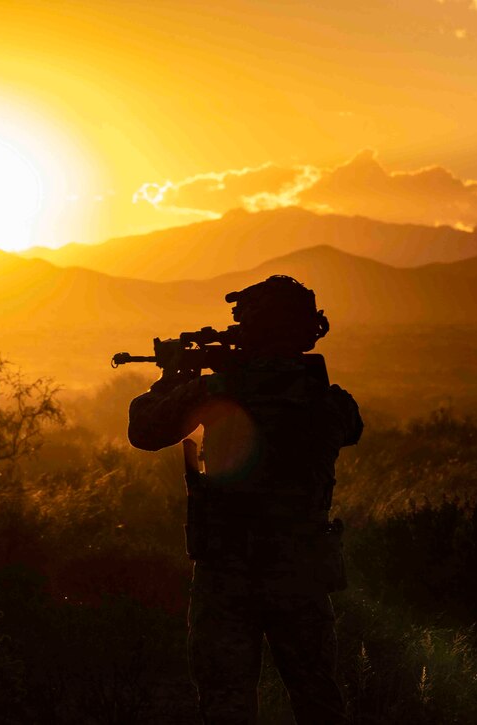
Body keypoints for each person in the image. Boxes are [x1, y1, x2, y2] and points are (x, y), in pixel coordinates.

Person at [128, 275, 363, 725]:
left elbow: (145, 431)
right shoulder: (331, 402)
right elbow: (346, 426)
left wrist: (172, 379)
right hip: (302, 572)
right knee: (317, 697)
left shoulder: (218, 393)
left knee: (227, 703)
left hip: (227, 574)